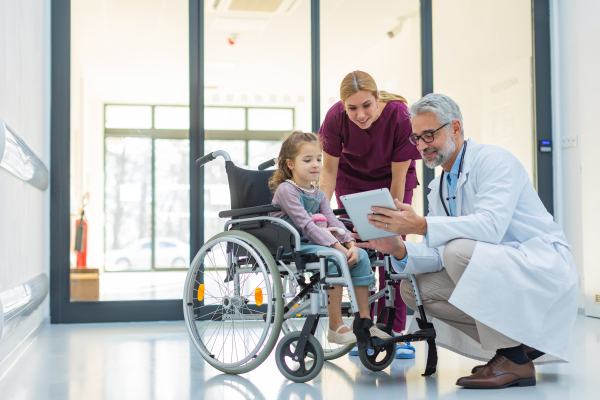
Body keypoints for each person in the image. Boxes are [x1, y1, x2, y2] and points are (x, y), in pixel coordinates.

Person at [353, 93, 578, 389]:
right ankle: (517, 345)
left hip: (539, 268)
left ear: (456, 128)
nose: (422, 146)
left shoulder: (494, 161)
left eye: (429, 135)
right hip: (503, 273)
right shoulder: (439, 186)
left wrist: (421, 224)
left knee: (459, 251)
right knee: (414, 289)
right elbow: (437, 252)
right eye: (416, 138)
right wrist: (399, 247)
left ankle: (512, 359)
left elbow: (491, 227)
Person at [319, 71, 421, 358]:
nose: (360, 114)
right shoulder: (335, 118)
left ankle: (396, 332)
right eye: (352, 108)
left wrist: (392, 218)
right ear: (342, 105)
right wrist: (321, 215)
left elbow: (398, 178)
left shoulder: (400, 116)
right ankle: (367, 328)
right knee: (361, 251)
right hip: (350, 181)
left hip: (392, 182)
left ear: (377, 99)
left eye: (366, 105)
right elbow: (328, 172)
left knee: (391, 250)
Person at [269, 130, 391, 344]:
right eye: (307, 160)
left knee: (360, 256)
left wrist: (350, 244)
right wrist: (338, 248)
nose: (315, 164)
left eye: (318, 159)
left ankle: (364, 322)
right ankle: (335, 324)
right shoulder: (286, 190)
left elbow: (333, 222)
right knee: (335, 256)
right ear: (291, 164)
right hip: (293, 244)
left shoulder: (319, 194)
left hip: (319, 243)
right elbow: (305, 226)